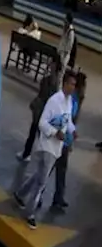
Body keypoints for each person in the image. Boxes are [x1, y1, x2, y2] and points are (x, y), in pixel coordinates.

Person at [15, 70, 75, 229]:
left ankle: (21, 194)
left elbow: (66, 120)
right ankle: (30, 213)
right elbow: (42, 123)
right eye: (70, 84)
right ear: (64, 84)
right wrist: (56, 133)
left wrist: (72, 130)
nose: (72, 87)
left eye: (74, 85)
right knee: (41, 182)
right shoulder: (54, 101)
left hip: (56, 148)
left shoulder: (69, 102)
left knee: (39, 176)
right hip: (47, 146)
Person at [51, 71, 84, 211]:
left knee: (61, 171)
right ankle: (36, 195)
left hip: (64, 141)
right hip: (56, 141)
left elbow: (70, 120)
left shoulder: (72, 101)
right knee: (48, 170)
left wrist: (71, 136)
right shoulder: (60, 99)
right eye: (72, 84)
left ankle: (58, 197)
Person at [20, 58, 63, 161]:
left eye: (52, 62)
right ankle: (31, 154)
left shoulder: (49, 80)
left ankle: (27, 153)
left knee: (35, 132)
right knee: (39, 134)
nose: (50, 64)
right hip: (45, 111)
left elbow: (43, 94)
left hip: (41, 110)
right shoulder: (57, 81)